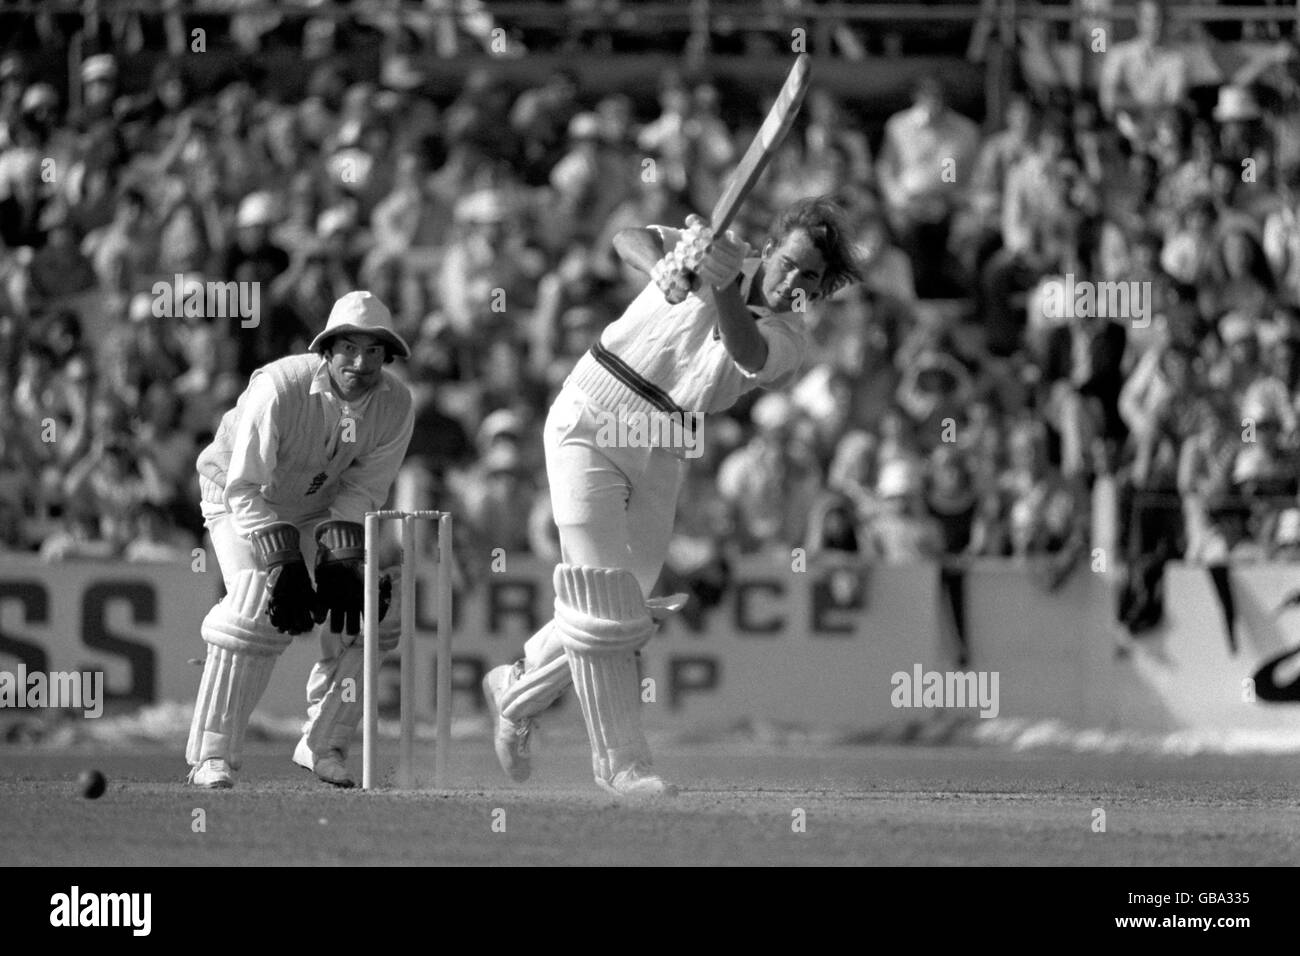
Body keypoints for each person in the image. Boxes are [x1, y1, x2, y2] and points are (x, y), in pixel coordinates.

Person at [482, 196, 862, 796]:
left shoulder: (790, 333)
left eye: (809, 278)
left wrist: (722, 285)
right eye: (789, 263)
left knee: (625, 608)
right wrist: (662, 265)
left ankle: (517, 685)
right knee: (603, 594)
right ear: (772, 244)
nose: (793, 281)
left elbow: (748, 353)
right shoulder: (714, 245)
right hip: (593, 411)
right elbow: (627, 234)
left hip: (664, 442)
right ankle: (623, 767)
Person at [185, 291, 415, 789]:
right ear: (327, 350)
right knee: (256, 608)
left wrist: (340, 553)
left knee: (376, 614)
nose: (361, 362)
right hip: (237, 494)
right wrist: (282, 559)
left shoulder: (396, 404)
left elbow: (363, 489)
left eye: (374, 351)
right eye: (349, 349)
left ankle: (323, 744)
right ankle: (211, 755)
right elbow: (243, 485)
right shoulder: (279, 387)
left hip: (315, 507)